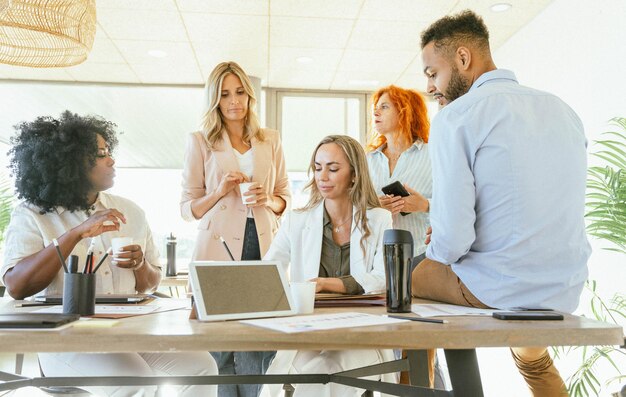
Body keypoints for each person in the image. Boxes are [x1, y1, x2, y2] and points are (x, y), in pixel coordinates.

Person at [415, 10, 590, 397]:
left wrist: (440, 241)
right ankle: (537, 367)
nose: (430, 87)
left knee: (405, 281)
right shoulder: (563, 110)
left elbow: (451, 244)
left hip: (500, 288)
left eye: (432, 73)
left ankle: (431, 388)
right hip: (563, 288)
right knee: (532, 357)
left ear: (463, 59)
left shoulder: (455, 117)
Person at [2, 111, 218, 397]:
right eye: (101, 153)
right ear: (70, 163)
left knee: (202, 366)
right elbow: (17, 287)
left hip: (129, 332)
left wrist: (140, 264)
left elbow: (150, 283)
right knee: (136, 381)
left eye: (109, 151)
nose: (112, 160)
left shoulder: (130, 211)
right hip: (64, 339)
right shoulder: (33, 214)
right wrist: (76, 233)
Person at [180, 61, 291, 397]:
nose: (234, 101)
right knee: (219, 341)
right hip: (218, 249)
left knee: (259, 338)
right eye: (225, 94)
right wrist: (219, 191)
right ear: (214, 99)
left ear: (250, 95)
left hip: (262, 244)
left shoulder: (269, 139)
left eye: (240, 92)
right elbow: (188, 209)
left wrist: (268, 198)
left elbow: (285, 197)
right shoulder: (200, 141)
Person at [262, 135, 396, 397]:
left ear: (354, 175)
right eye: (318, 167)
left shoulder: (379, 219)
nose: (322, 176)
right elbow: (269, 271)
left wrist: (326, 284)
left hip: (361, 333)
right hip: (308, 334)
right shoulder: (296, 221)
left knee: (327, 370)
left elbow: (383, 278)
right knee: (321, 371)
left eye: (333, 169)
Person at [365, 85, 431, 255]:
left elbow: (455, 205)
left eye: (384, 107)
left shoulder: (434, 155)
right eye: (376, 108)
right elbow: (352, 206)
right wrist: (374, 207)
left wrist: (426, 205)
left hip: (420, 254)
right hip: (375, 256)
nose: (376, 113)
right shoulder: (368, 159)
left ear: (405, 112)